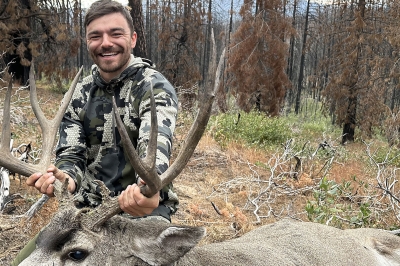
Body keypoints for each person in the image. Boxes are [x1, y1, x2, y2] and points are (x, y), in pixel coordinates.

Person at [12, 0, 178, 264]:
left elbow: (154, 151)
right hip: (85, 216)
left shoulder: (154, 88)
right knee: (21, 261)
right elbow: (71, 155)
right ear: (88, 42)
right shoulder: (79, 93)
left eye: (115, 33)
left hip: (140, 214)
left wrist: (148, 190)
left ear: (133, 39)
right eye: (96, 36)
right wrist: (64, 178)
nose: (106, 43)